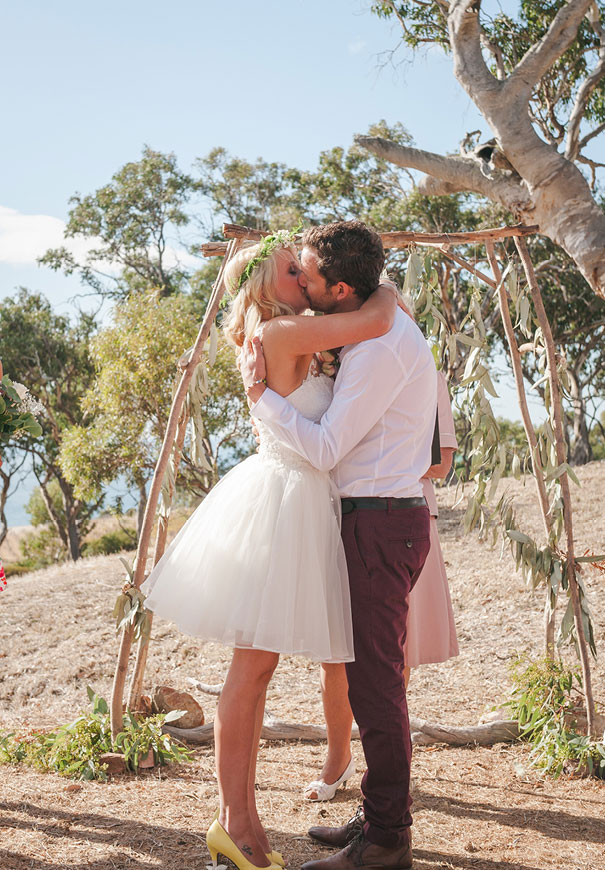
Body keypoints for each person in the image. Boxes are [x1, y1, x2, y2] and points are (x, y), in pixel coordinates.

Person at [141, 226, 398, 870]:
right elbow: (376, 318)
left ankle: (245, 824)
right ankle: (235, 823)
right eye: (293, 271)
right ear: (266, 288)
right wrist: (382, 280)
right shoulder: (281, 336)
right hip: (281, 506)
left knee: (260, 672)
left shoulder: (289, 336)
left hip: (304, 504)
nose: (305, 280)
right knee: (250, 673)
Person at [241, 221, 438, 870]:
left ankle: (387, 842)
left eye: (310, 277)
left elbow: (326, 447)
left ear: (342, 290)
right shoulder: (369, 325)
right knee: (369, 682)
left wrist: (260, 399)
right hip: (376, 520)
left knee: (376, 687)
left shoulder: (377, 349)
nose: (303, 282)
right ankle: (376, 816)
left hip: (379, 524)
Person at [304, 371, 459, 802]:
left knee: (394, 652)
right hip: (341, 514)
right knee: (335, 650)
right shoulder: (341, 371)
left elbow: (442, 461)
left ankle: (383, 766)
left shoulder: (428, 376)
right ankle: (338, 757)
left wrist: (380, 458)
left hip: (404, 513)